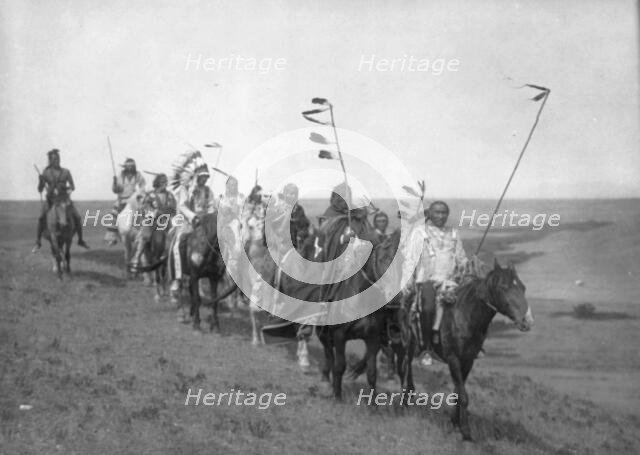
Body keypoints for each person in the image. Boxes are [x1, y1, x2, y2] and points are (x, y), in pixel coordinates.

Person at [401, 200, 469, 365]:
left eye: (444, 213)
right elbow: (411, 259)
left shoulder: (453, 233)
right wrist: (407, 282)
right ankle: (427, 347)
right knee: (428, 308)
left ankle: (471, 345)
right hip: (427, 280)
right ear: (429, 214)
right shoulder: (419, 232)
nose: (440, 216)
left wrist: (466, 264)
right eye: (437, 212)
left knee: (471, 305)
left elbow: (460, 256)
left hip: (450, 281)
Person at [170, 164, 215, 296]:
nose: (204, 180)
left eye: (206, 177)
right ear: (196, 177)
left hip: (204, 223)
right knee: (177, 245)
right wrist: (193, 216)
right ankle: (177, 278)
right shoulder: (186, 189)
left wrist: (210, 217)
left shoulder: (208, 191)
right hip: (187, 222)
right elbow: (182, 206)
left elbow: (211, 206)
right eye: (202, 177)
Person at [33, 149, 89, 252]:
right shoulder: (46, 172)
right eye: (54, 159)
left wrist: (65, 190)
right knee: (41, 217)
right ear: (51, 160)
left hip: (64, 200)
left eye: (58, 158)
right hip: (51, 201)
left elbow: (73, 186)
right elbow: (40, 189)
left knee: (77, 217)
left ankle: (80, 240)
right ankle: (38, 241)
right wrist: (41, 181)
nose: (57, 160)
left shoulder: (66, 172)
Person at [130, 173, 176, 271]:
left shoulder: (170, 195)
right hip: (151, 219)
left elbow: (173, 207)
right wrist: (156, 213)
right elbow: (145, 207)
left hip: (165, 220)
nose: (165, 184)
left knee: (174, 234)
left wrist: (168, 213)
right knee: (145, 235)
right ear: (158, 182)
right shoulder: (150, 195)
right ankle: (136, 258)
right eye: (163, 182)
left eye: (166, 182)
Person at [105, 158, 146, 245]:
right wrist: (115, 183)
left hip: (134, 199)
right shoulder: (121, 175)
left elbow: (142, 185)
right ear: (125, 167)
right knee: (113, 215)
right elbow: (116, 190)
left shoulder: (138, 175)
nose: (130, 168)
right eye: (128, 166)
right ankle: (112, 237)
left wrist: (139, 193)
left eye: (131, 166)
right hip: (122, 199)